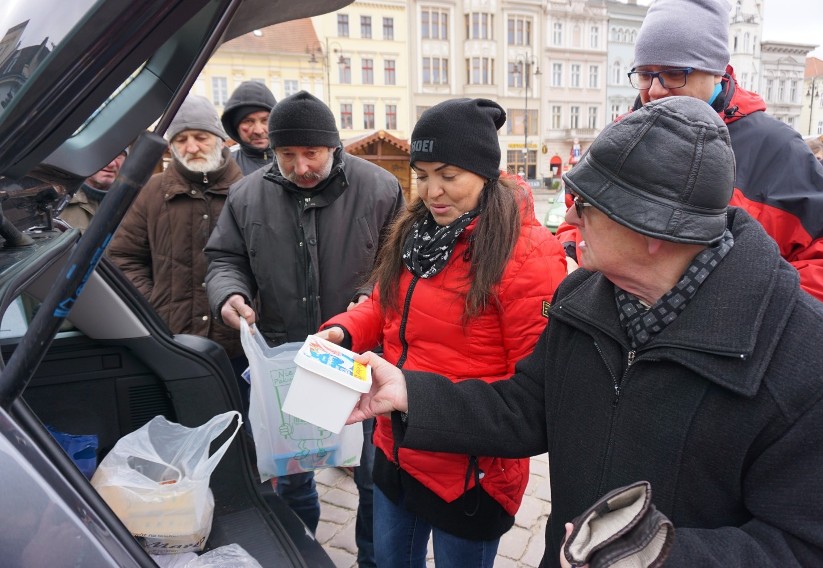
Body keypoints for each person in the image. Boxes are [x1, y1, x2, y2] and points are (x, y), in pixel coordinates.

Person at [346, 96, 823, 568]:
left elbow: (815, 546)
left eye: (584, 204)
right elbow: (526, 407)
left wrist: (656, 554)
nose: (567, 216)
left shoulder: (821, 369)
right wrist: (410, 392)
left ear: (653, 228)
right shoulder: (583, 299)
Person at [316, 98, 566, 567]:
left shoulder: (529, 255)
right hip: (396, 448)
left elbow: (533, 390)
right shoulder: (417, 231)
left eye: (448, 176)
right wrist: (344, 332)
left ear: (485, 173)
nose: (433, 191)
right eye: (423, 174)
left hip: (470, 474)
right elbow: (386, 306)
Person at [204, 90, 404, 568]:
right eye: (286, 154)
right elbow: (224, 259)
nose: (300, 166)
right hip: (286, 359)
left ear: (333, 146)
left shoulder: (379, 187)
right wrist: (230, 295)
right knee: (293, 475)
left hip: (361, 358)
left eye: (310, 153)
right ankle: (300, 553)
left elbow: (398, 263)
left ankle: (373, 560)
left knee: (373, 475)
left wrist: (373, 295)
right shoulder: (246, 194)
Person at [556, 0, 823, 317]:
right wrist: (572, 258)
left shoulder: (775, 148)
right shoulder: (621, 134)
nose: (654, 90)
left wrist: (767, 316)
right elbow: (577, 219)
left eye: (673, 74)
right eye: (645, 74)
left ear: (715, 71)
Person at [109, 94, 243, 367]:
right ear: (171, 146)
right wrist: (154, 305)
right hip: (172, 339)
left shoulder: (247, 191)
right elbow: (122, 257)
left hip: (237, 341)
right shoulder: (151, 192)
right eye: (181, 139)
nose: (191, 147)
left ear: (219, 139)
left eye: (200, 137)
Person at [58, 148, 127, 231]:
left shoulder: (132, 205)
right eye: (103, 154)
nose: (112, 164)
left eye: (118, 156)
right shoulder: (57, 203)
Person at [221, 80, 276, 175]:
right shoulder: (224, 167)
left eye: (265, 120)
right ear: (235, 126)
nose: (258, 131)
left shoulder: (296, 160)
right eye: (248, 121)